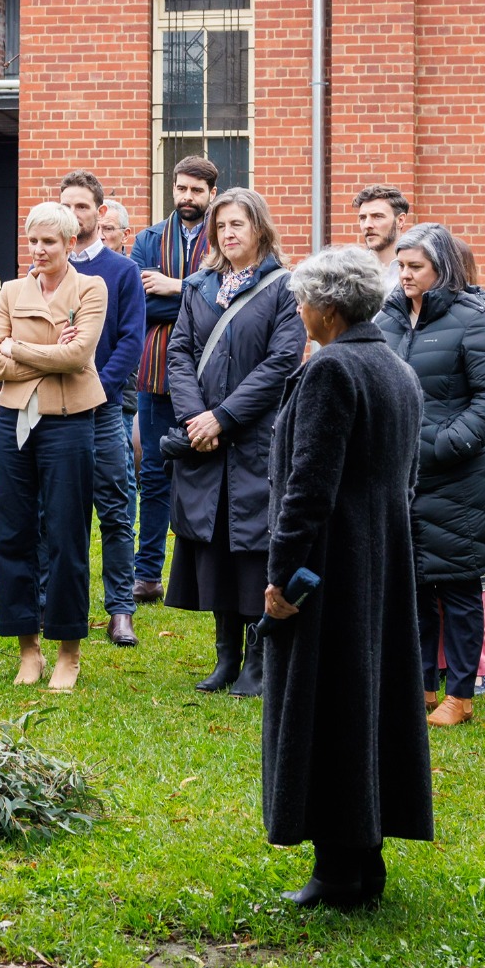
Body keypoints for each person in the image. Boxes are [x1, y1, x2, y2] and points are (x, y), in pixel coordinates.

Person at [258, 246, 432, 911]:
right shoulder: (393, 365)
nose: (298, 311)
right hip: (380, 559)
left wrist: (281, 577)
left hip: (326, 565)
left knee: (326, 706)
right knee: (368, 705)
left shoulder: (332, 368)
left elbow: (307, 487)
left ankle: (337, 868)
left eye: (303, 300)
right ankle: (363, 861)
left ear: (326, 307)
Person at [165, 187, 306, 698]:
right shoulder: (198, 286)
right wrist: (194, 417)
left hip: (255, 441)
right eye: (220, 226)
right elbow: (178, 352)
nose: (227, 233)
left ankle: (259, 659)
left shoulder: (285, 287)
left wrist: (222, 417)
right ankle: (225, 658)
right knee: (214, 544)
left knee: (254, 547)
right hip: (204, 440)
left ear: (260, 230)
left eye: (237, 225)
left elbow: (281, 363)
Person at [372, 223, 485, 728]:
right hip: (399, 479)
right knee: (414, 588)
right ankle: (424, 684)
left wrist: (440, 445)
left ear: (441, 270)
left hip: (455, 479)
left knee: (457, 586)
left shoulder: (473, 319)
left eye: (416, 268)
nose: (404, 276)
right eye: (401, 266)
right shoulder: (386, 319)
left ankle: (461, 694)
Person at [0, 202, 107, 691]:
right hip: (14, 421)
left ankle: (67, 652)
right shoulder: (12, 291)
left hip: (69, 424)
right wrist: (49, 354)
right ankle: (27, 649)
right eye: (32, 241)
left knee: (66, 535)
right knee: (12, 533)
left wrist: (21, 348)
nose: (38, 250)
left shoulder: (89, 287)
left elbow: (80, 355)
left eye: (49, 242)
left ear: (70, 244)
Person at [59, 171, 147, 648]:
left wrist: (97, 391)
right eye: (67, 206)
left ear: (99, 213)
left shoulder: (121, 271)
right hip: (54, 410)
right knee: (59, 512)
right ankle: (63, 603)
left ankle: (120, 610)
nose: (75, 215)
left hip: (104, 410)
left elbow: (131, 341)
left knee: (115, 509)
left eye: (83, 207)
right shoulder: (46, 269)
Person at [130, 156, 214, 602]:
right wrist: (197, 294)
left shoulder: (225, 237)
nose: (187, 197)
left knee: (207, 473)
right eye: (181, 188)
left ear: (211, 194)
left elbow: (226, 297)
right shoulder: (147, 239)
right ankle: (146, 575)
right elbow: (142, 304)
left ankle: (201, 577)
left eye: (196, 190)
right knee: (156, 471)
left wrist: (177, 286)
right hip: (157, 372)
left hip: (214, 376)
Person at [355, 185, 411, 295]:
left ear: (400, 220)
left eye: (377, 216)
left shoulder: (417, 270)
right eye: (363, 218)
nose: (367, 225)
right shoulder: (353, 271)